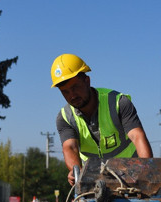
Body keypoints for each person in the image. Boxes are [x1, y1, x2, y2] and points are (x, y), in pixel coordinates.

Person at [51, 53, 153, 186]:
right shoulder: (65, 117)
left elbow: (137, 136)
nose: (72, 95)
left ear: (87, 81)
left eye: (75, 87)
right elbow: (70, 147)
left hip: (130, 175)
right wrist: (76, 172)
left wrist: (146, 172)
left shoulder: (118, 103)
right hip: (94, 180)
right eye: (65, 92)